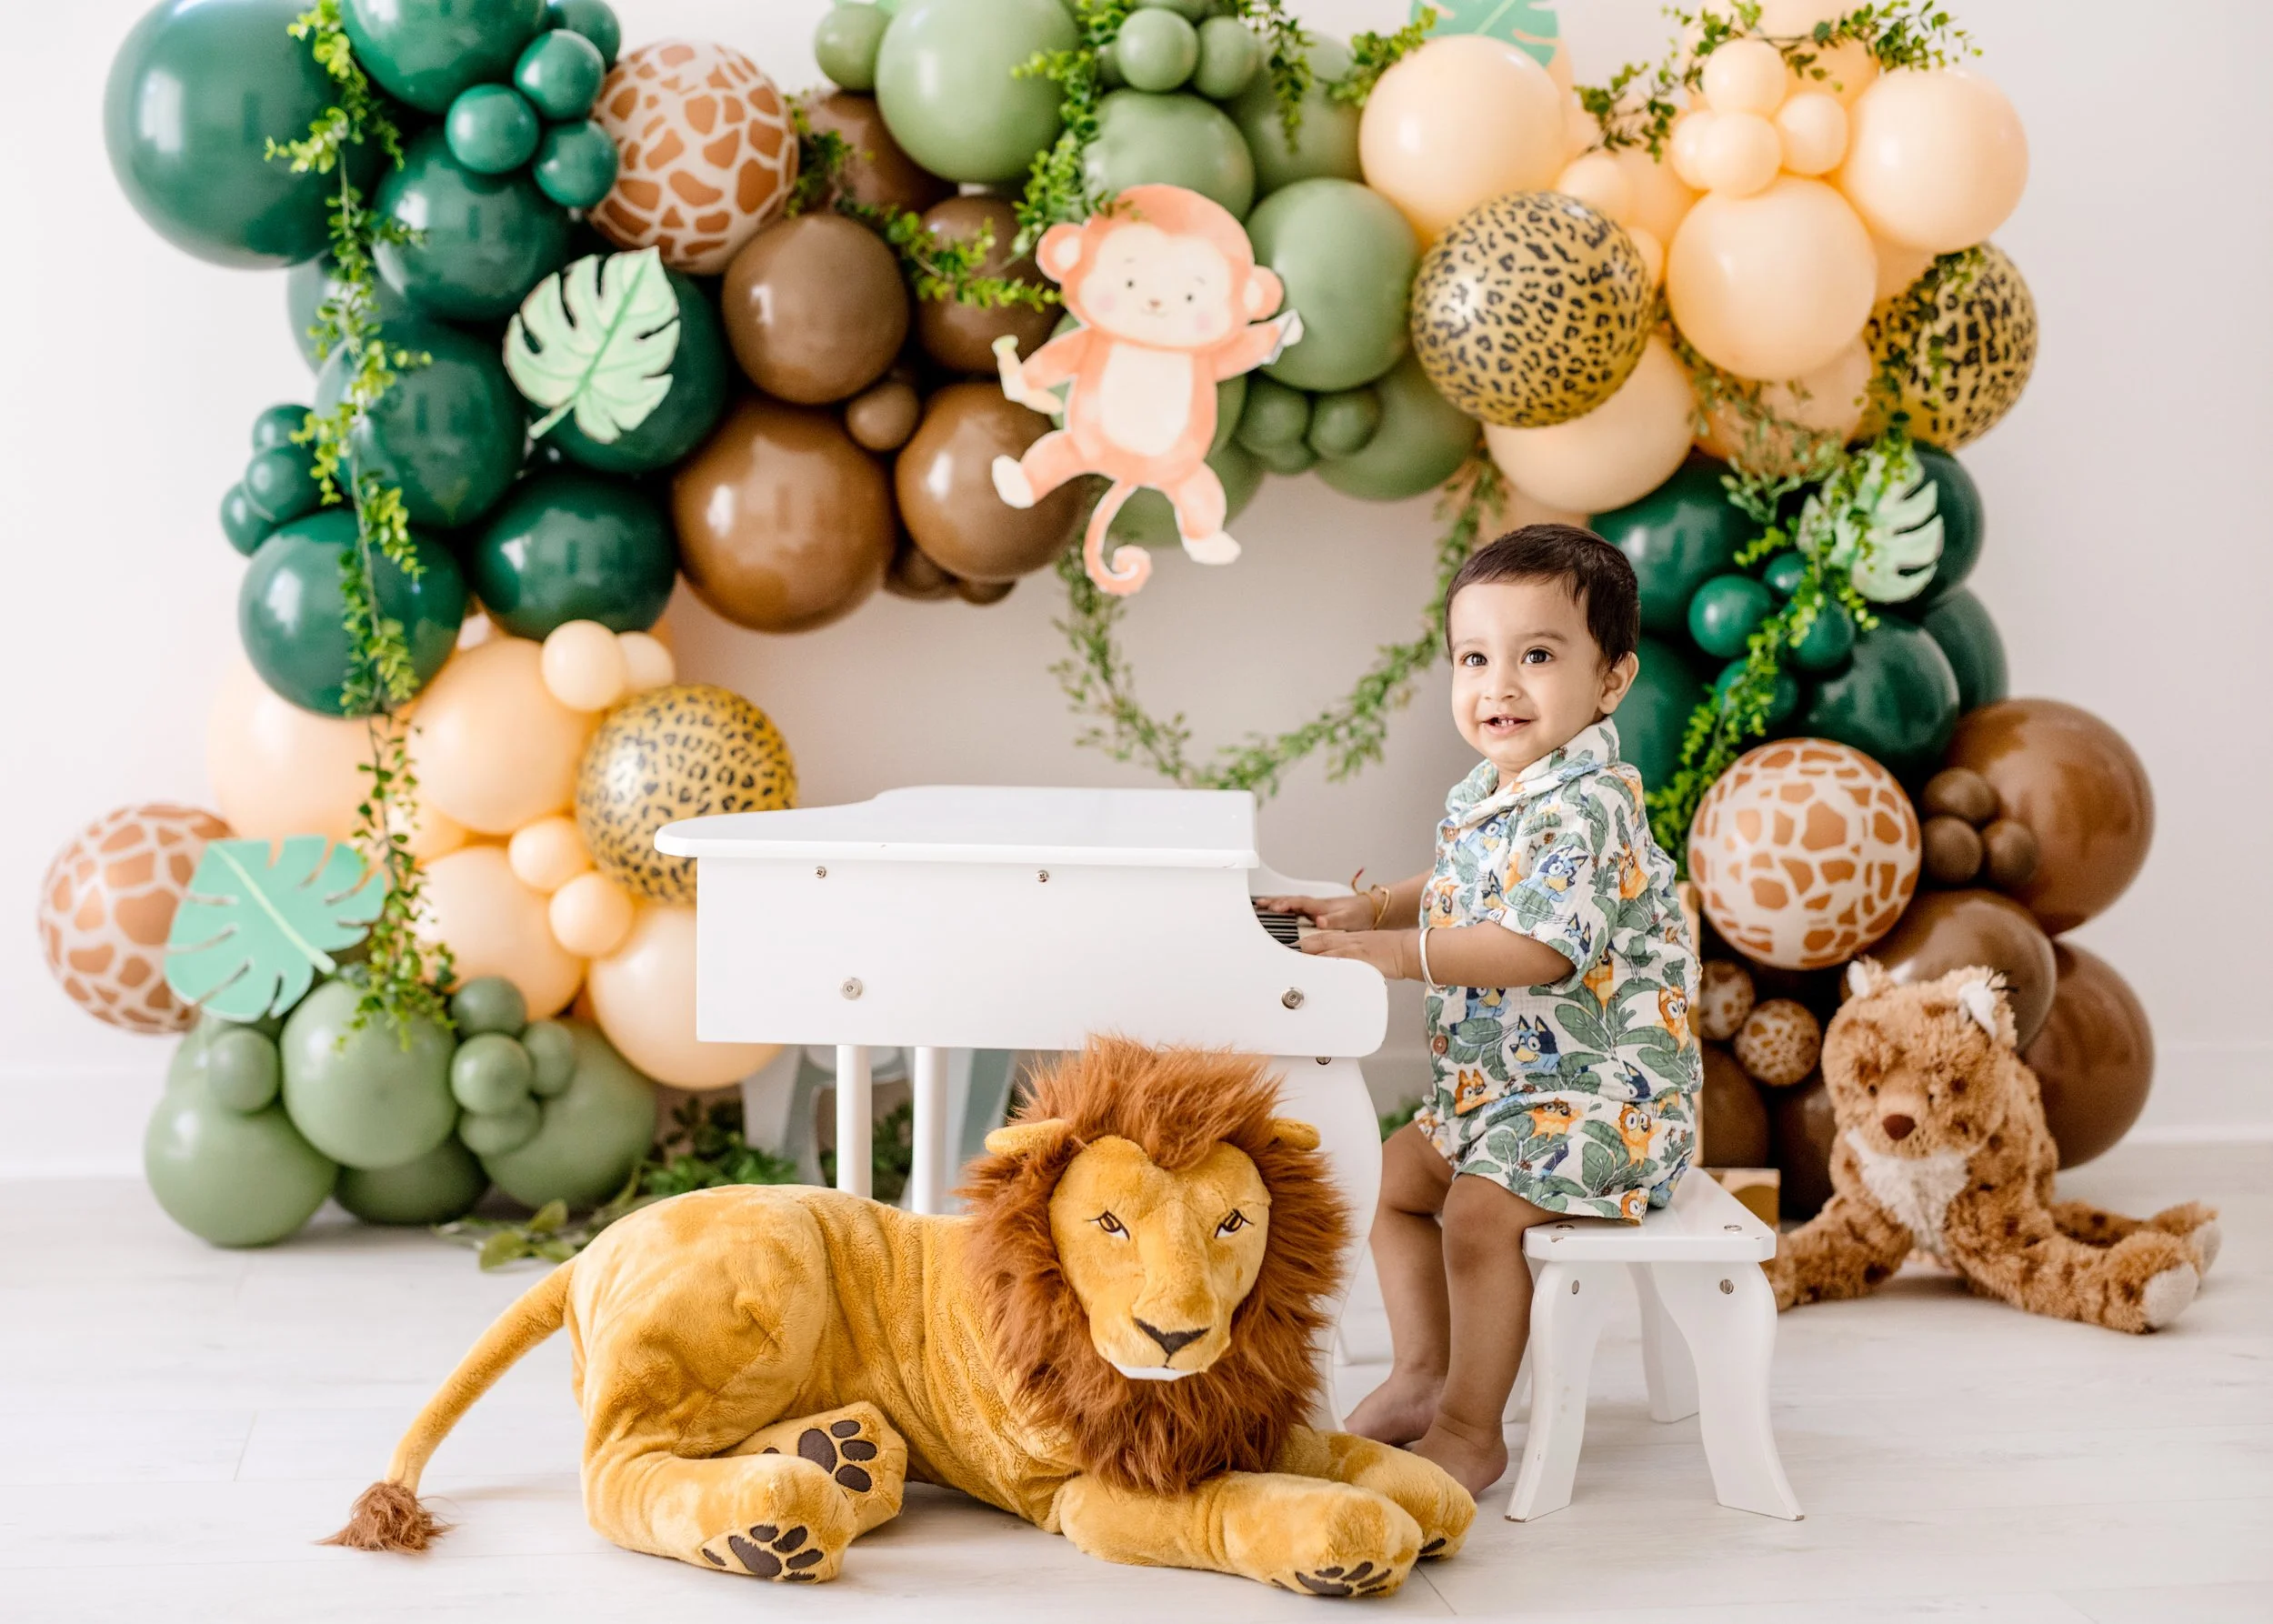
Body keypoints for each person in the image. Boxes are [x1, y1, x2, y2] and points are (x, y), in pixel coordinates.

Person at [1257, 524, 1701, 1498]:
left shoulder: (1588, 806)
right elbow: (1463, 884)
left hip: (1607, 1101)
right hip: (1506, 1092)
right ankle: (1421, 1374)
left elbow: (1537, 949)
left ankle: (1471, 1423)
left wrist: (1391, 953)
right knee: (1392, 1181)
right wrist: (1371, 904)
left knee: (1476, 1210)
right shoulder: (1496, 790)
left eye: (1536, 656)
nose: (1498, 686)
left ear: (1610, 680)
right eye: (1474, 657)